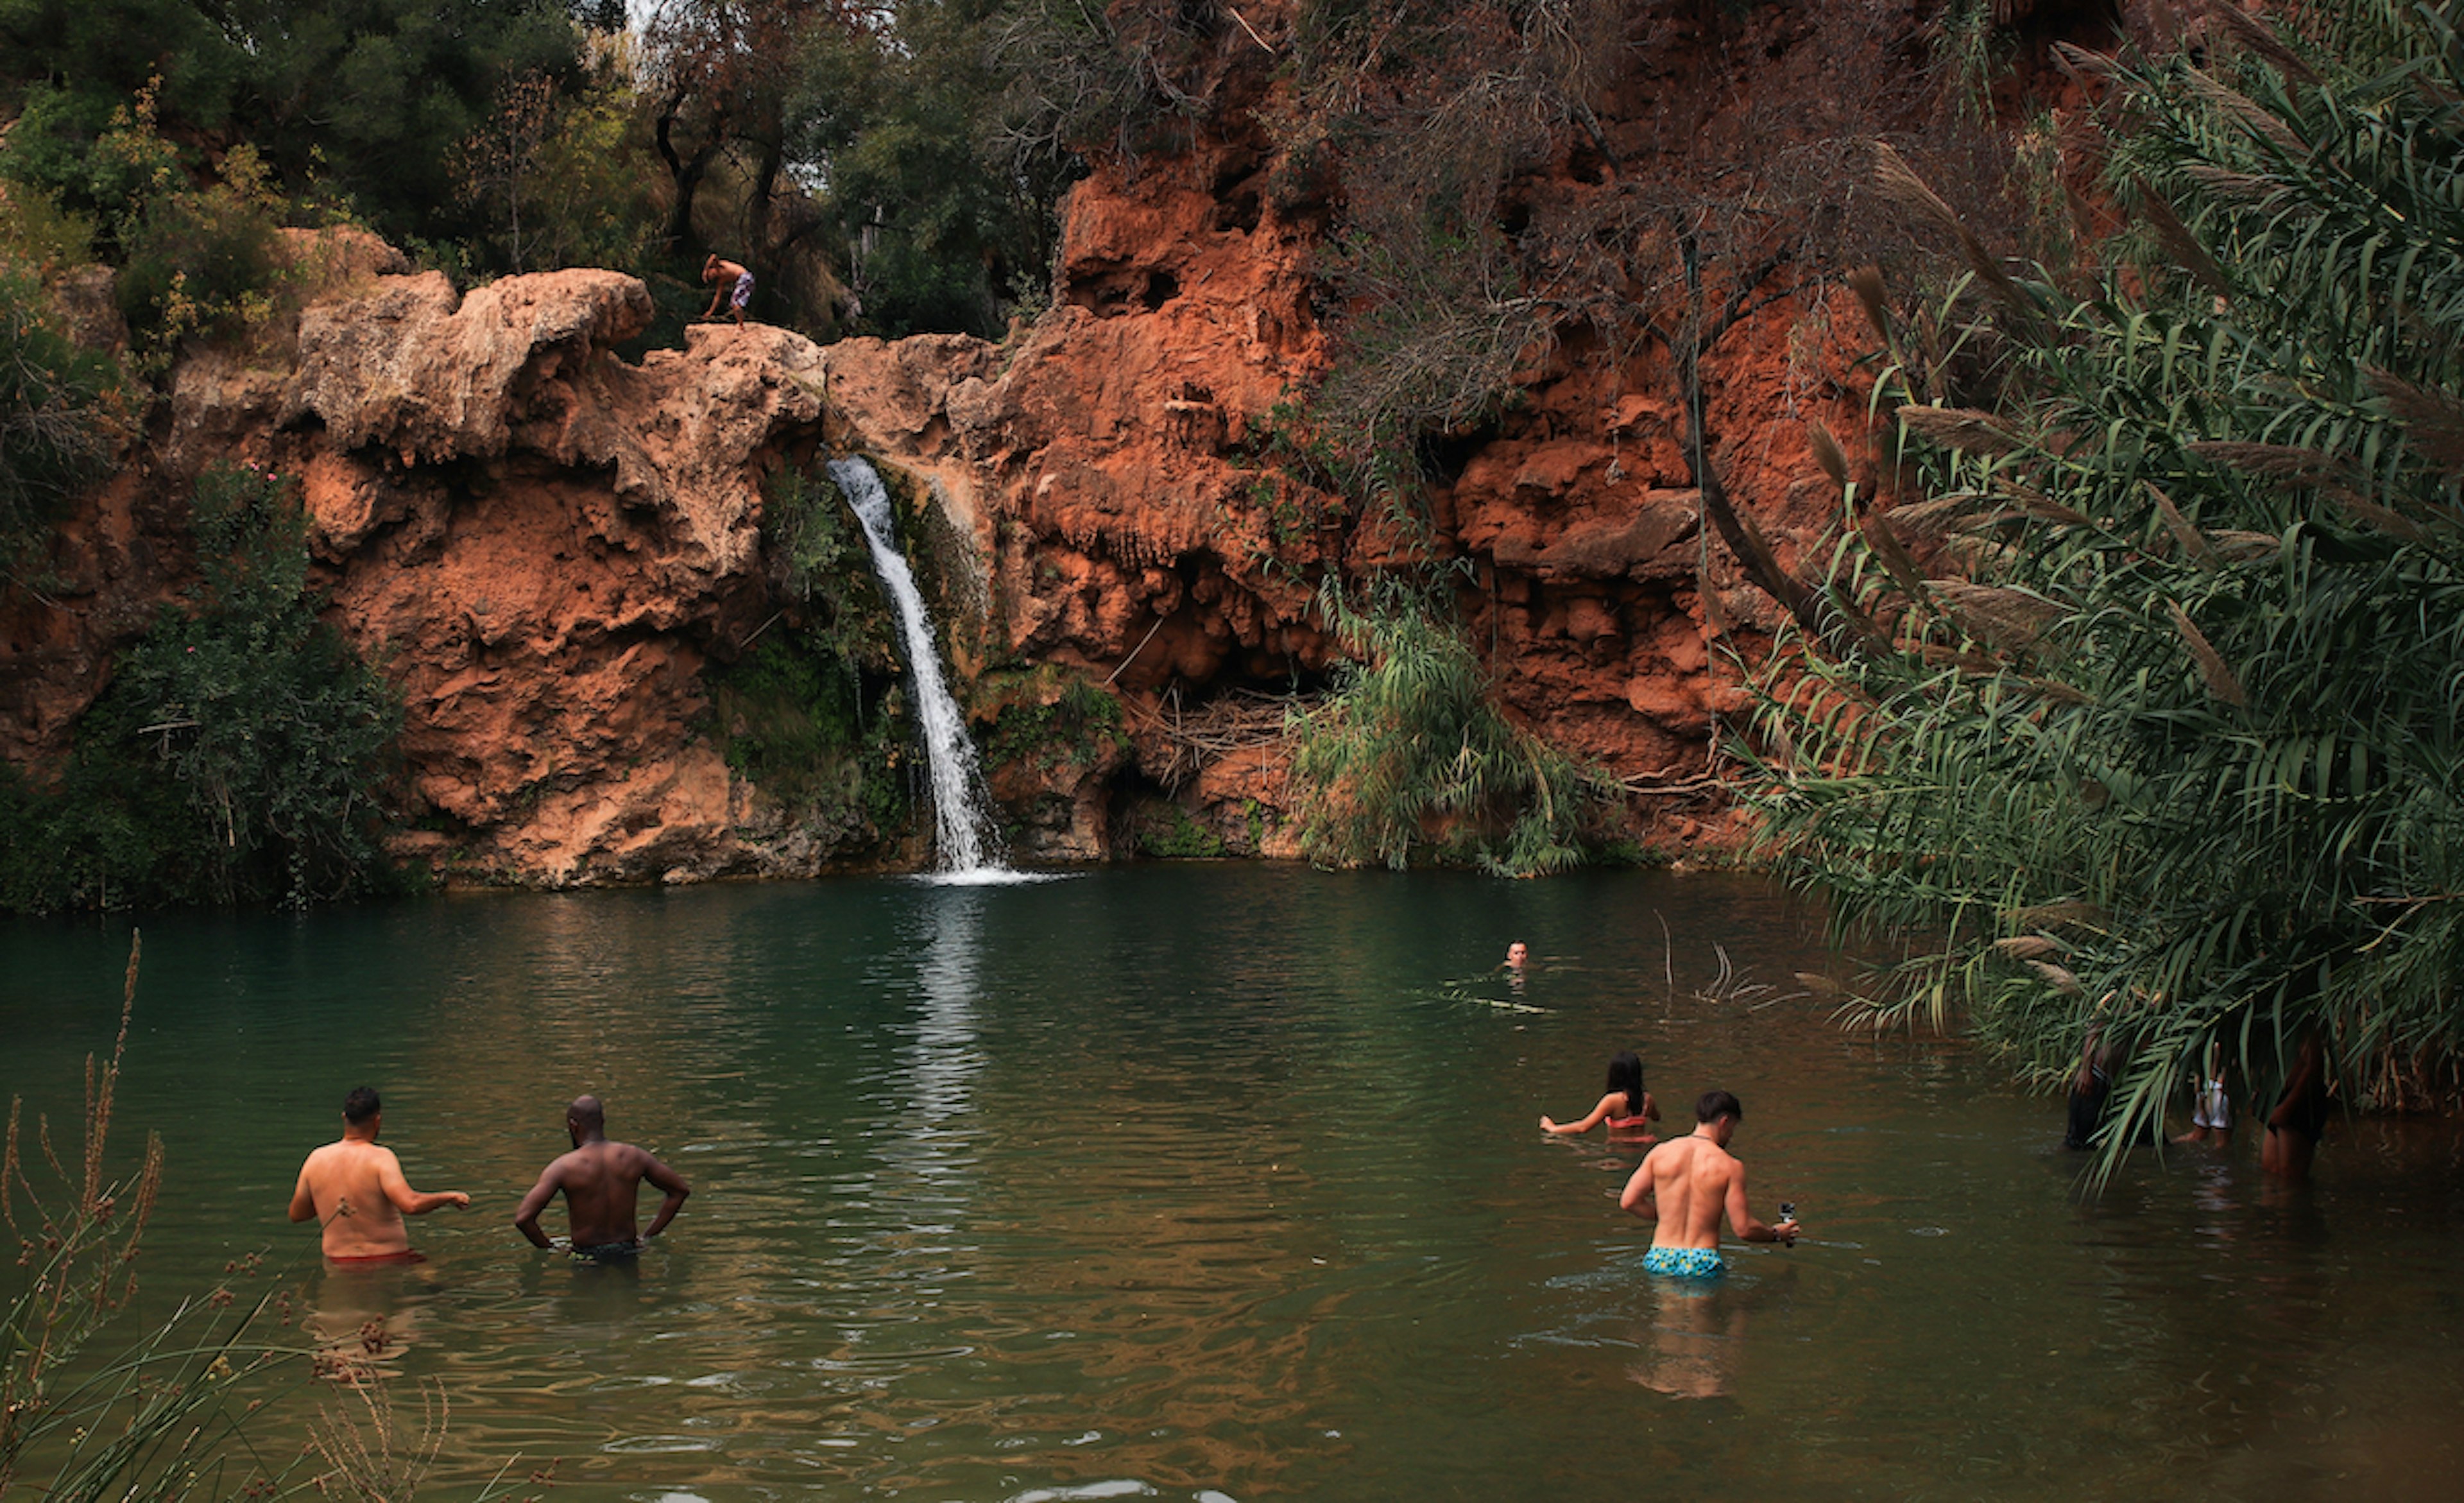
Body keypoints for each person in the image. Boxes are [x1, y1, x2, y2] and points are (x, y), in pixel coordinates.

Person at [1618, 1089, 1797, 1279]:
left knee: (1669, 1308)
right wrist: (1777, 1234)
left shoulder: (1660, 1153)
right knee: (1701, 1310)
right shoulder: (1730, 1166)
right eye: (1732, 1129)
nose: (1730, 1136)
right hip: (1702, 1260)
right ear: (1725, 1122)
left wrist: (1668, 1215)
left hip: (1660, 1256)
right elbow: (1744, 1229)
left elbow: (1629, 1202)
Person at [287, 1087, 470, 1263]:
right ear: (377, 1121)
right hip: (389, 1260)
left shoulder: (316, 1159)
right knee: (434, 1281)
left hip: (338, 1262)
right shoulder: (381, 1158)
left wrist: (327, 1199)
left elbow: (297, 1215)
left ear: (344, 1118)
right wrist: (450, 1197)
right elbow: (411, 1205)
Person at [515, 1095, 692, 1261]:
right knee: (629, 1294)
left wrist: (552, 1249)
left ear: (573, 1125)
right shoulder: (634, 1156)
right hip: (628, 1250)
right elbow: (680, 1191)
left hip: (586, 1256)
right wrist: (648, 1236)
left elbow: (524, 1219)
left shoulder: (564, 1167)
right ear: (603, 1122)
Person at [1541, 1050, 1661, 1138]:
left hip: (1618, 1152)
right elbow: (1656, 1118)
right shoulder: (1647, 1099)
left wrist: (1553, 1128)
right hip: (1643, 1148)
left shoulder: (1612, 1101)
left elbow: (1583, 1127)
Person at [2261, 1032, 2328, 1181]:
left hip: (2298, 1100)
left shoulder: (2302, 1022)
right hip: (2276, 1098)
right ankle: (2271, 1204)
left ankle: (2294, 1203)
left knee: (2290, 1175)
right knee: (2270, 1169)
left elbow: (2314, 1065)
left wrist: (2287, 1107)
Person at [2173, 1039, 2231, 1146]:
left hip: (2206, 1089)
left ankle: (2171, 1145)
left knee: (2198, 1135)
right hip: (2216, 1091)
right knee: (2221, 1142)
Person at [700, 253, 752, 325]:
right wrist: (710, 312)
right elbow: (717, 298)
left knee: (735, 303)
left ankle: (741, 325)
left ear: (711, 269)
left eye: (710, 274)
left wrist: (705, 270)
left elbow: (713, 256)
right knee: (735, 304)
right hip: (746, 280)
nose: (711, 276)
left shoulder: (719, 266)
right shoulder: (722, 281)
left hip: (744, 277)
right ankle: (741, 324)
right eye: (710, 278)